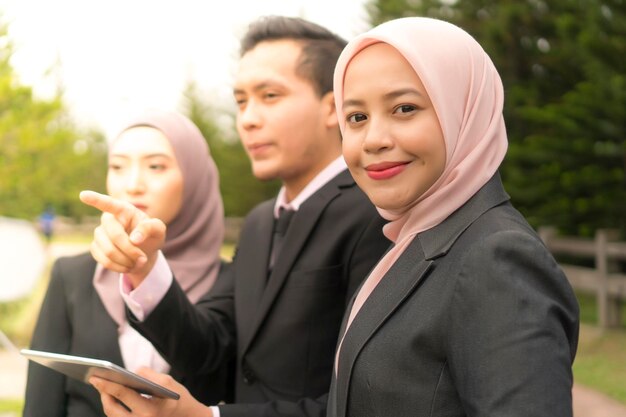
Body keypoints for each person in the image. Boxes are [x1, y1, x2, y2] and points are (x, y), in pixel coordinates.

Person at [83, 15, 390, 417]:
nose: (247, 118)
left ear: (333, 106)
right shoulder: (261, 221)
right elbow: (210, 347)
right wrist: (144, 265)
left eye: (270, 96)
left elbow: (365, 400)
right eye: (241, 101)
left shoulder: (378, 215)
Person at [324, 17, 580, 417]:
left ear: (464, 110)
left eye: (404, 108)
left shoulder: (497, 258)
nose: (374, 139)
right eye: (357, 117)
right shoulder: (415, 239)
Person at [23, 109, 227, 417]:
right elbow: (42, 402)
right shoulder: (72, 276)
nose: (133, 184)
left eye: (156, 166)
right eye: (117, 166)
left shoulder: (234, 281)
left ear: (195, 177)